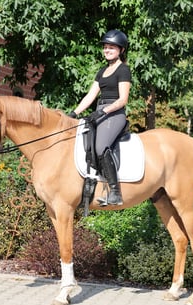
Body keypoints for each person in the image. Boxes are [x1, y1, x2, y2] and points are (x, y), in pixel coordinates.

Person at [68, 30, 131, 206]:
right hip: (100, 111)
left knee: (101, 146)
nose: (107, 50)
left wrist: (104, 111)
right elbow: (90, 96)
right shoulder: (102, 71)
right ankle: (95, 185)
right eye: (105, 47)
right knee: (85, 142)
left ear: (121, 49)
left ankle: (115, 191)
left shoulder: (123, 70)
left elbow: (123, 99)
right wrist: (74, 113)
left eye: (111, 47)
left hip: (115, 113)